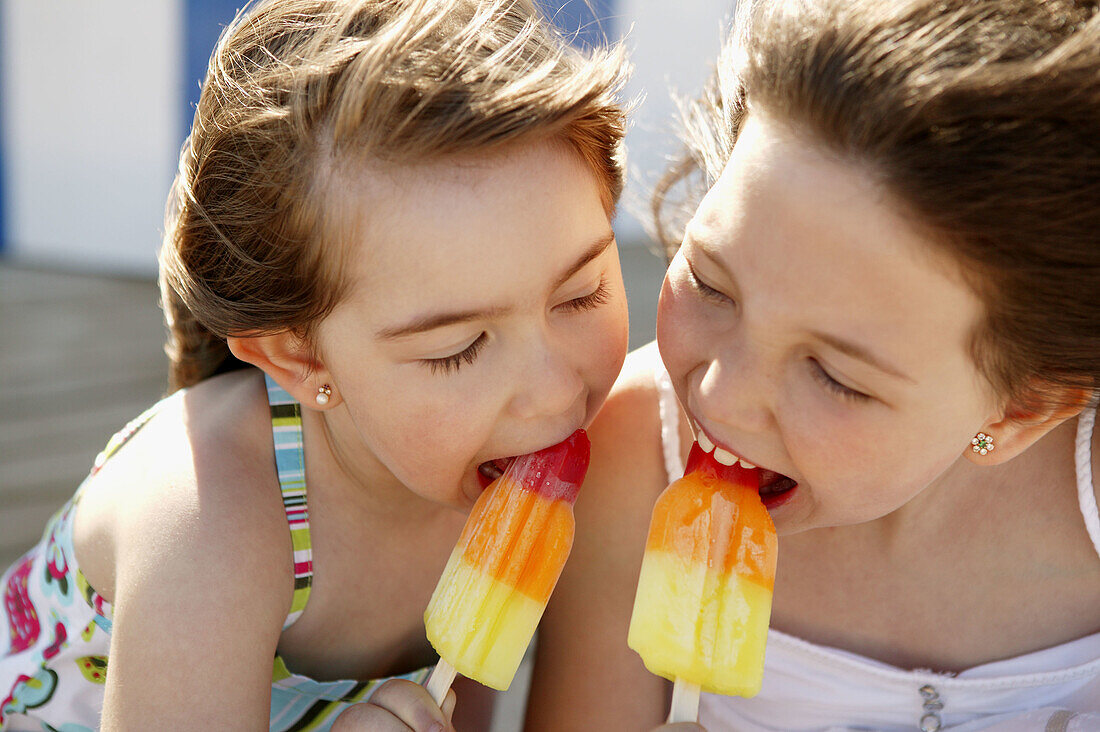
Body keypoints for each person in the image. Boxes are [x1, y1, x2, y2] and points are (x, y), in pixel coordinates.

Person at [0, 0, 631, 728]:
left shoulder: (496, 473)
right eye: (458, 349)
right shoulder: (208, 527)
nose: (556, 391)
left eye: (581, 295)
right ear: (297, 357)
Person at [525, 0, 1100, 729]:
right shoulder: (631, 457)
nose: (720, 397)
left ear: (1019, 411)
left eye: (834, 376)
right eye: (708, 282)